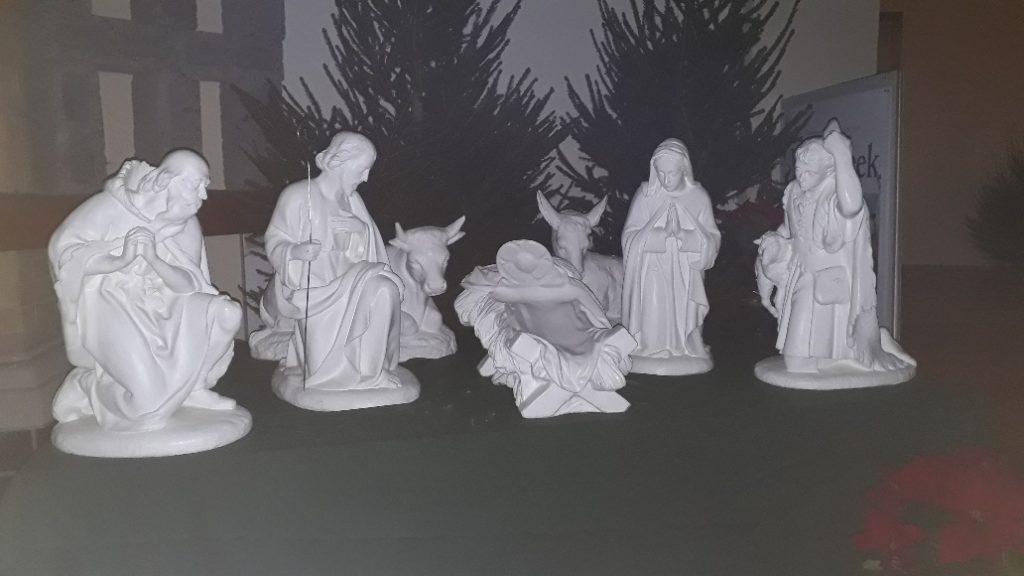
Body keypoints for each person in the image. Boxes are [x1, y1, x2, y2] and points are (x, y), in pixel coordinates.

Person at [49, 150, 242, 432]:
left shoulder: (187, 224)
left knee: (226, 312)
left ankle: (194, 387)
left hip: (167, 303)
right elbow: (65, 255)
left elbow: (189, 283)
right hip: (112, 303)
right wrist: (120, 260)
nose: (203, 195)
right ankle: (87, 385)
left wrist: (154, 260)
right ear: (167, 181)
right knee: (145, 409)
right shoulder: (108, 207)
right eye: (195, 184)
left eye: (205, 186)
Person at [250, 131, 406, 392]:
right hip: (315, 287)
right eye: (362, 169)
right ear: (339, 162)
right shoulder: (298, 195)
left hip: (353, 280)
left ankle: (371, 372)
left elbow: (371, 252)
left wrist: (361, 232)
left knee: (385, 289)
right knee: (323, 362)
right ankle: (333, 374)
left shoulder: (353, 201)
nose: (366, 177)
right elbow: (276, 238)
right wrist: (295, 252)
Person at [766, 120, 912, 374]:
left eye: (810, 172)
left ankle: (859, 351)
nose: (802, 177)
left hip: (824, 278)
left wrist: (842, 155)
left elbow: (851, 206)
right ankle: (854, 351)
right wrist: (776, 243)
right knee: (799, 362)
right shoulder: (793, 192)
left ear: (829, 171)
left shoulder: (834, 194)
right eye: (799, 170)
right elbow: (790, 229)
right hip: (799, 273)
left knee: (798, 363)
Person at [621, 138, 721, 374]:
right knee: (654, 308)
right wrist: (661, 234)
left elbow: (712, 238)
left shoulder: (698, 196)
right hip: (652, 269)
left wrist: (684, 236)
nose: (666, 180)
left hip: (686, 273)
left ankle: (684, 347)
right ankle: (651, 348)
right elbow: (629, 237)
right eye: (661, 173)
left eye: (672, 173)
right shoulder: (646, 194)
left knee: (683, 312)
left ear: (684, 169)